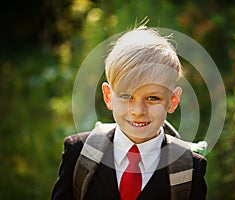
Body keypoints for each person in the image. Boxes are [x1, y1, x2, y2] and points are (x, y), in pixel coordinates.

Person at [51, 25, 207, 200]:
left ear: (173, 101)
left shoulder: (189, 168)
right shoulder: (79, 152)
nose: (138, 111)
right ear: (109, 96)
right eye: (126, 96)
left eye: (153, 98)